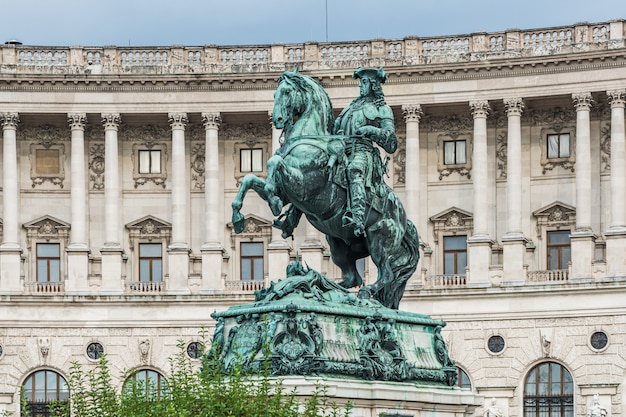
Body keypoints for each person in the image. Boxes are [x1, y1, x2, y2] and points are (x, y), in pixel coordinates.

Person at [333, 67, 397, 237]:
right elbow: (335, 129)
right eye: (360, 82)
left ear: (373, 84)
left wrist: (371, 130)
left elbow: (391, 142)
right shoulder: (349, 108)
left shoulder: (382, 109)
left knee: (354, 170)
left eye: (364, 82)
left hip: (364, 152)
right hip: (342, 151)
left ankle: (358, 217)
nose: (361, 86)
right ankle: (291, 219)